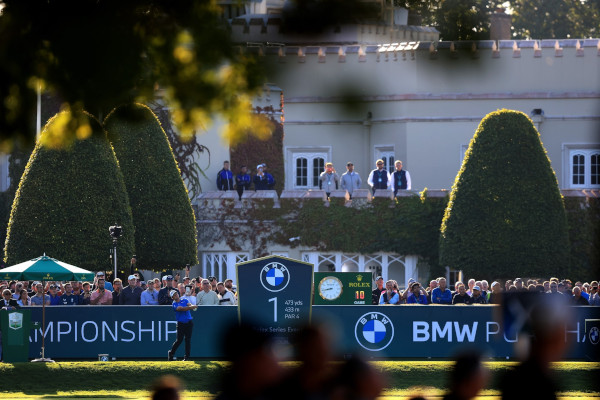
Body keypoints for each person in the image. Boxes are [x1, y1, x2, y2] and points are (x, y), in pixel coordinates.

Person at [168, 289, 198, 361]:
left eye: (176, 294)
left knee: (188, 340)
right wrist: (192, 307)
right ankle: (171, 353)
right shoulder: (174, 304)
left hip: (189, 323)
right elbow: (182, 309)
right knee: (179, 340)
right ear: (172, 298)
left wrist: (193, 306)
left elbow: (189, 304)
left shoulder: (185, 300)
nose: (176, 295)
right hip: (181, 324)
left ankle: (187, 357)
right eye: (174, 295)